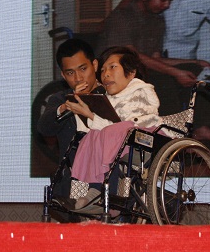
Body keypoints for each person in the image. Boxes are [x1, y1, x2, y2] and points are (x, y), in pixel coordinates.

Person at [98, 0, 210, 145]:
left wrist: (194, 63)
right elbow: (133, 56)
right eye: (163, 0)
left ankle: (201, 127)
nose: (167, 5)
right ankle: (174, 137)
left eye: (170, 0)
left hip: (141, 69)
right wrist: (175, 72)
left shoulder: (156, 21)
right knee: (165, 81)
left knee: (199, 72)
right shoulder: (121, 17)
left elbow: (156, 59)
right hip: (116, 73)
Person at [63, 46, 166, 211]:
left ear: (131, 73)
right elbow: (106, 128)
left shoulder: (140, 91)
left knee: (113, 130)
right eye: (103, 70)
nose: (105, 74)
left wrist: (91, 116)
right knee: (94, 134)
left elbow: (128, 124)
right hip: (121, 141)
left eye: (112, 67)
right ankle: (95, 190)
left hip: (146, 140)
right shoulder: (108, 98)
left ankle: (107, 195)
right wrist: (84, 109)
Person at [36, 38, 101, 196]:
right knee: (77, 202)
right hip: (74, 182)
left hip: (109, 178)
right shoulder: (60, 99)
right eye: (70, 73)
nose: (78, 78)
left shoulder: (113, 95)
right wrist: (67, 105)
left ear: (94, 65)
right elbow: (44, 128)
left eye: (83, 69)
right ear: (63, 76)